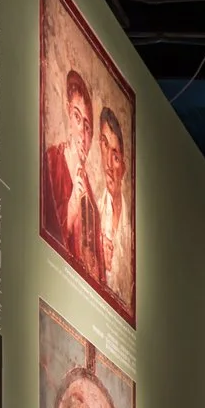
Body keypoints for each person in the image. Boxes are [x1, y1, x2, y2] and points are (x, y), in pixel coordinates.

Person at [42, 70, 96, 261]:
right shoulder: (52, 161)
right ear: (68, 112)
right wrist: (72, 205)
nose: (82, 132)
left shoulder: (90, 194)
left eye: (87, 127)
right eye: (77, 117)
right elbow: (48, 229)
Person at [91, 107, 131, 296]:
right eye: (105, 145)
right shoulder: (94, 212)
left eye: (115, 156)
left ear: (123, 167)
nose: (108, 164)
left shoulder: (130, 233)